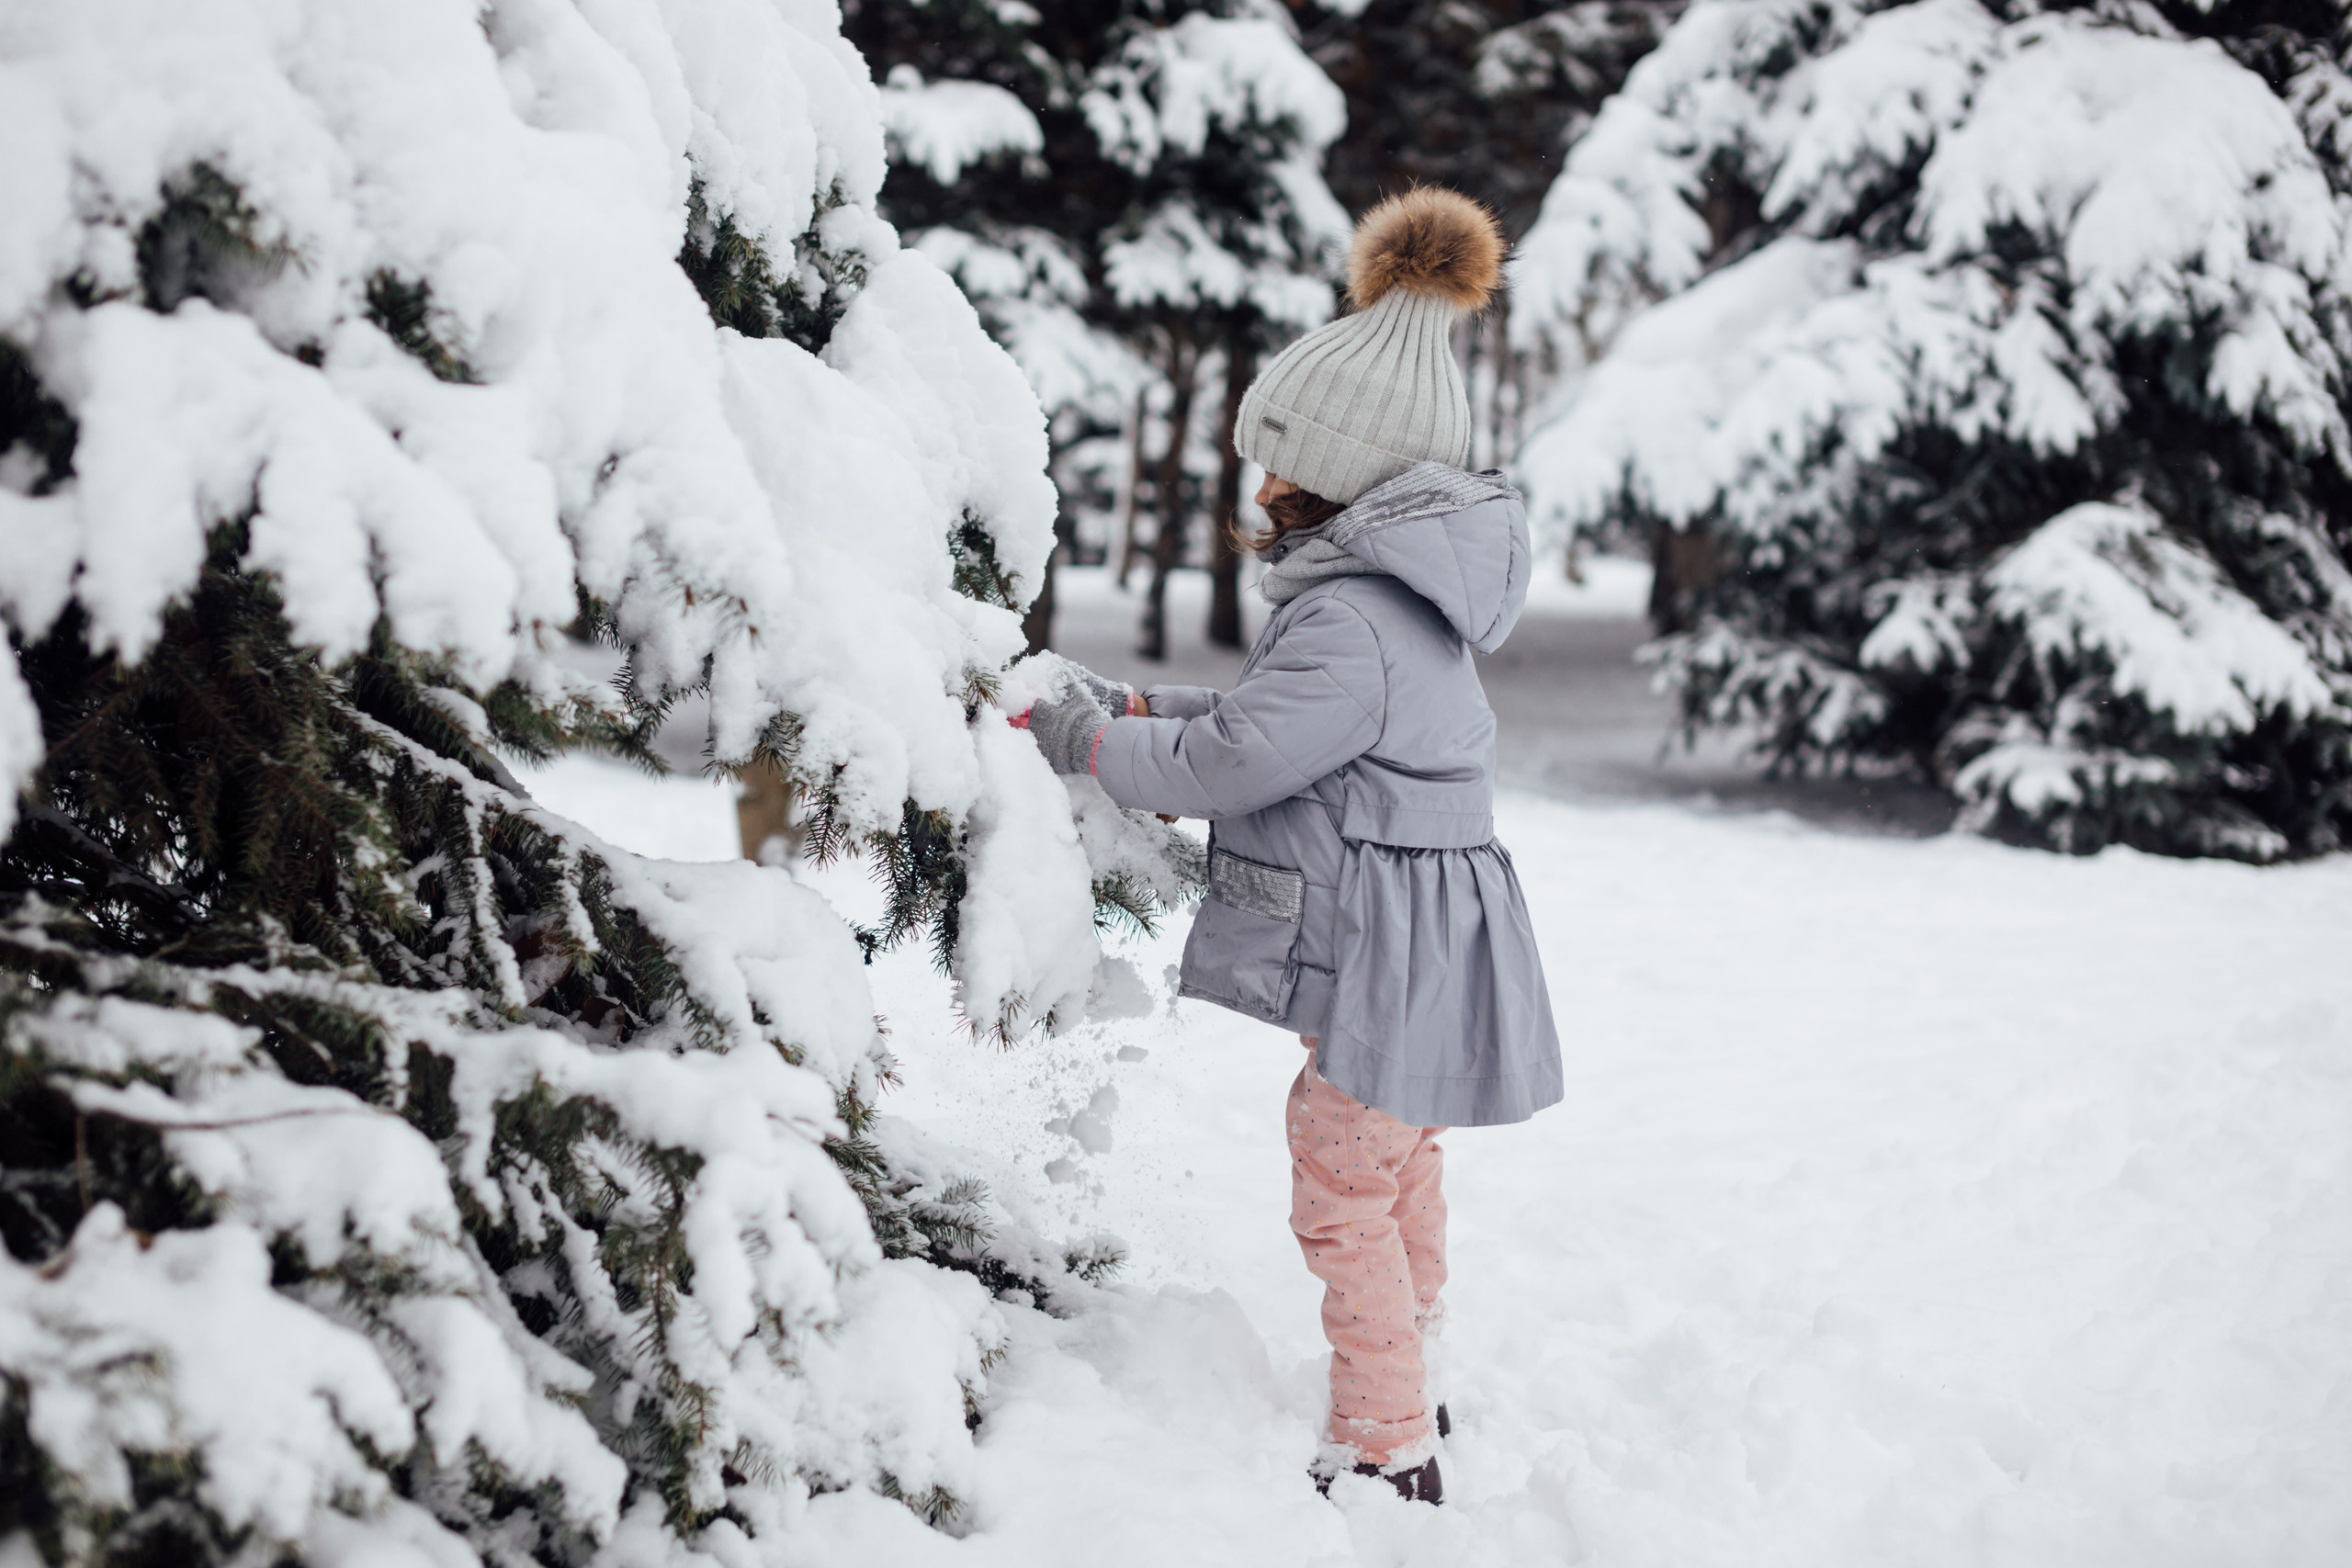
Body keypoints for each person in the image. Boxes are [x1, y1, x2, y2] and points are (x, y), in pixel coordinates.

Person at [1014, 186, 1561, 1506]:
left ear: (1348, 481)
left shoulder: (1351, 621)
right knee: (1393, 1166)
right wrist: (1138, 708)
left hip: (1389, 953)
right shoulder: (1388, 607)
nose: (1260, 486)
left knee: (1339, 1184)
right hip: (1423, 947)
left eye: (1283, 464)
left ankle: (1386, 1441)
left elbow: (1239, 762)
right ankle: (1415, 1377)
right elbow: (1264, 727)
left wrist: (1090, 748)